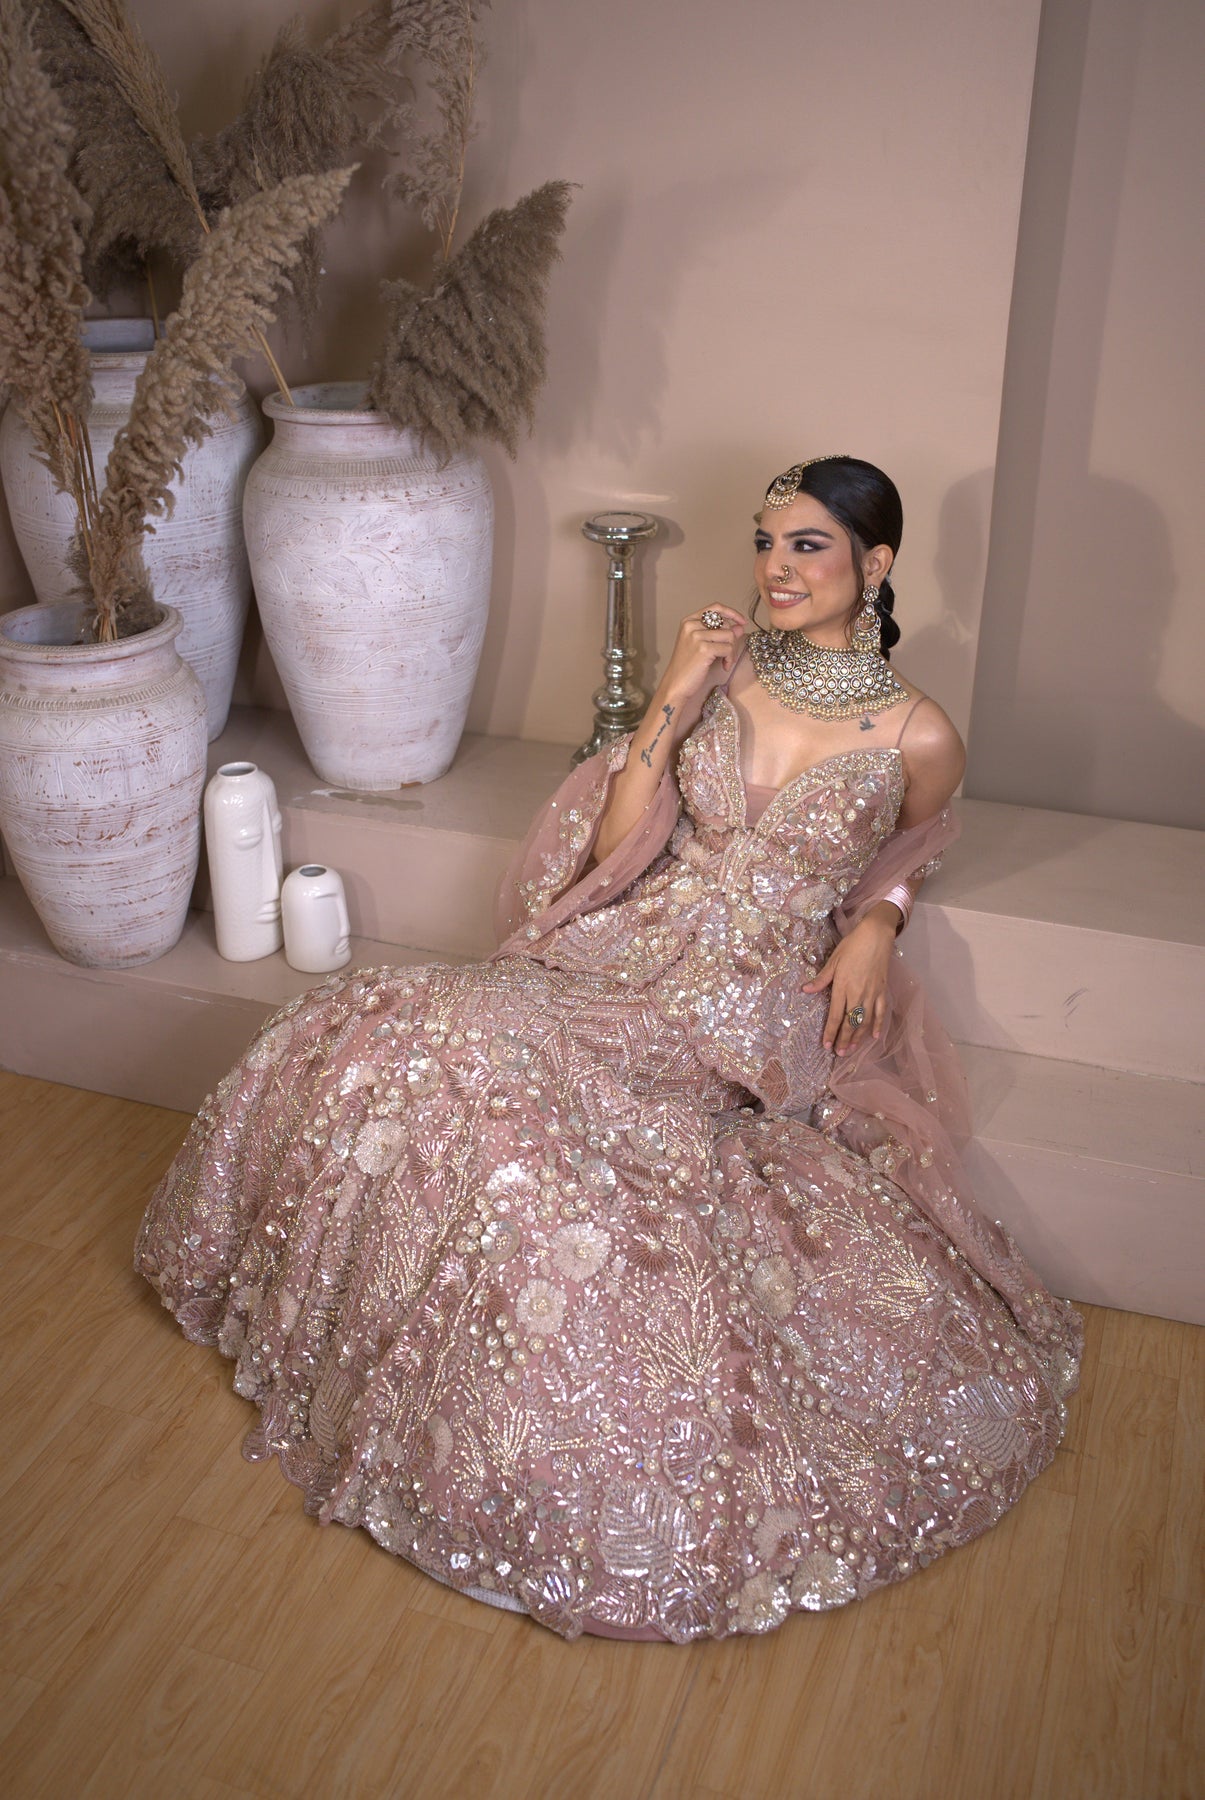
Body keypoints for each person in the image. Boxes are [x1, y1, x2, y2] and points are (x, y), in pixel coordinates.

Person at [137, 455, 1083, 1643]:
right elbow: (614, 845)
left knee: (547, 1153)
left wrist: (877, 923)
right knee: (395, 1028)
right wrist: (676, 690)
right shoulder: (727, 667)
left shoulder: (919, 731)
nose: (774, 567)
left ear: (874, 562)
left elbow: (909, 851)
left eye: (806, 545)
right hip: (629, 947)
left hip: (748, 1001)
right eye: (765, 540)